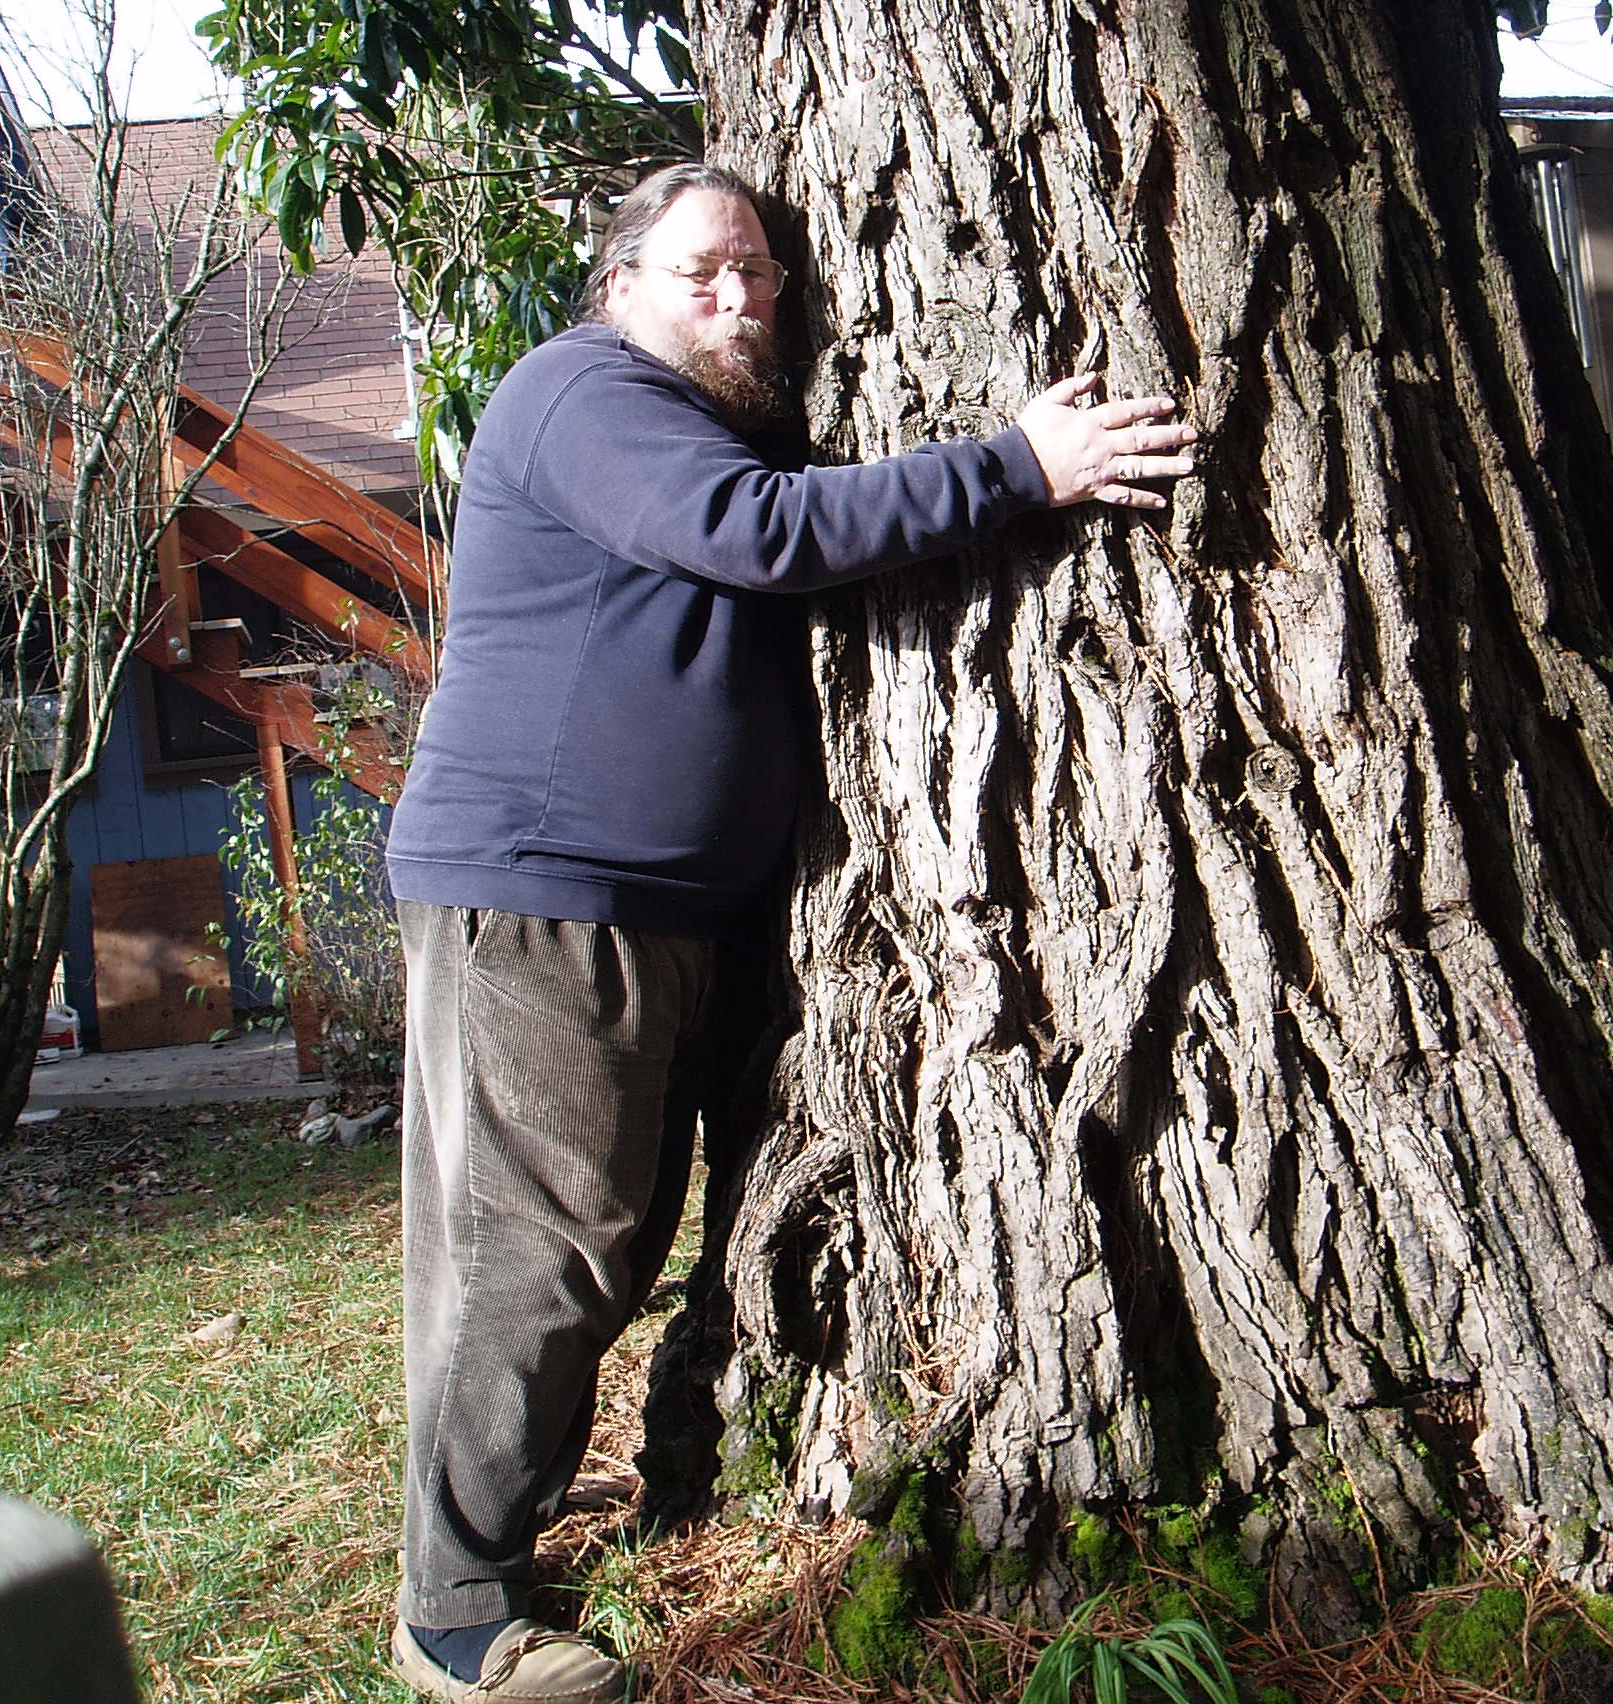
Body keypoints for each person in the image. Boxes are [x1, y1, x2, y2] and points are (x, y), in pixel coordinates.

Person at [382, 160, 1198, 1704]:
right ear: (618, 281)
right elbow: (754, 532)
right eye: (704, 270)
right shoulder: (586, 393)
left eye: (761, 272)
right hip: (548, 896)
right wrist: (1022, 462)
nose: (744, 297)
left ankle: (497, 1543)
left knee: (594, 1248)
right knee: (535, 1253)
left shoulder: (681, 414)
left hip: (652, 909)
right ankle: (450, 1616)